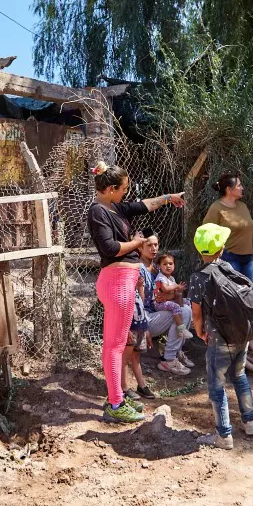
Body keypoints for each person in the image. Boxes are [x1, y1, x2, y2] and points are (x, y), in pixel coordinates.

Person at [87, 162, 185, 424]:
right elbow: (109, 247)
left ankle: (118, 396)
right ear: (109, 189)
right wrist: (137, 243)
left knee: (121, 344)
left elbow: (144, 204)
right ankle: (116, 403)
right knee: (115, 345)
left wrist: (168, 198)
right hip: (117, 282)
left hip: (124, 283)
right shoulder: (98, 211)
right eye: (123, 189)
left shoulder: (114, 206)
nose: (126, 193)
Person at [188, 223, 253, 449]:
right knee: (239, 377)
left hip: (219, 337)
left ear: (200, 251)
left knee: (217, 386)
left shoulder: (198, 277)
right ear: (221, 248)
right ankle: (250, 423)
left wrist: (199, 331)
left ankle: (223, 435)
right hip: (242, 334)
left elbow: (196, 312)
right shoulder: (228, 267)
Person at [139, 238, 195, 374]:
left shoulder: (157, 270)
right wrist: (142, 325)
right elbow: (135, 300)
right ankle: (169, 360)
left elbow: (175, 296)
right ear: (140, 248)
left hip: (156, 313)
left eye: (156, 244)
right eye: (149, 245)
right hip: (144, 318)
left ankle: (175, 352)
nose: (154, 248)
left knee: (186, 309)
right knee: (183, 311)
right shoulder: (139, 269)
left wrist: (175, 295)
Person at [202, 173, 253, 280]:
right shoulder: (216, 208)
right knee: (232, 294)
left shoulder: (243, 206)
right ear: (229, 190)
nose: (242, 188)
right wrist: (210, 258)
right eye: (239, 185)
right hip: (229, 258)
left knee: (249, 293)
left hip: (248, 258)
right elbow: (205, 233)